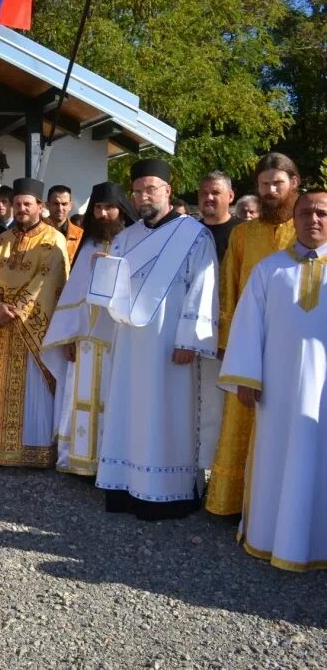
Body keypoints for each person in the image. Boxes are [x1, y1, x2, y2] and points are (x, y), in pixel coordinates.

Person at [89, 159, 219, 520]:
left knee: (168, 413)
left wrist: (188, 340)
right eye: (138, 190)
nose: (143, 196)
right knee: (129, 410)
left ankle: (168, 492)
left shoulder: (193, 235)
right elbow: (112, 292)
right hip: (130, 343)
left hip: (169, 346)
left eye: (151, 188)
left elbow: (203, 289)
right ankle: (125, 485)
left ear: (167, 190)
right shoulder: (126, 237)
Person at [217, 189, 327, 571]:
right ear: (293, 219)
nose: (314, 219)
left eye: (322, 213)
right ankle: (268, 537)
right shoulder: (269, 270)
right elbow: (248, 327)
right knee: (275, 461)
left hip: (324, 397)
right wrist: (246, 378)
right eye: (306, 212)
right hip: (277, 394)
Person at [206, 152, 301, 517]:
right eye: (264, 184)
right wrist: (226, 342)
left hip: (293, 346)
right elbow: (228, 288)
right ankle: (233, 503)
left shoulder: (308, 231)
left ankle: (281, 505)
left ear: (294, 183)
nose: (271, 190)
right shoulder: (244, 234)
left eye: (278, 183)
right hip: (249, 343)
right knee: (241, 417)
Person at [0, 178, 69, 467]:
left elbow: (48, 278)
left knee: (34, 387)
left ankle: (34, 450)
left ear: (40, 206)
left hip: (33, 330)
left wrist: (19, 309)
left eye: (27, 204)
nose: (22, 209)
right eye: (17, 204)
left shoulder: (54, 240)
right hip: (1, 327)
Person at [40, 182, 134, 475]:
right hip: (85, 343)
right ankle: (77, 460)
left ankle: (111, 463)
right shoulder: (88, 245)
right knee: (78, 399)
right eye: (98, 208)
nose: (104, 213)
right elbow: (73, 294)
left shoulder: (132, 242)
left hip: (117, 340)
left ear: (121, 210)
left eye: (110, 207)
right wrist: (67, 338)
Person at [198, 171, 240, 262]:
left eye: (215, 193)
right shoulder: (191, 232)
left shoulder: (243, 232)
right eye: (204, 193)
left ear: (230, 196)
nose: (209, 197)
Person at [45, 185, 84, 261]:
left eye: (64, 204)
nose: (60, 208)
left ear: (70, 206)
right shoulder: (34, 231)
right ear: (47, 205)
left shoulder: (80, 236)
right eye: (56, 204)